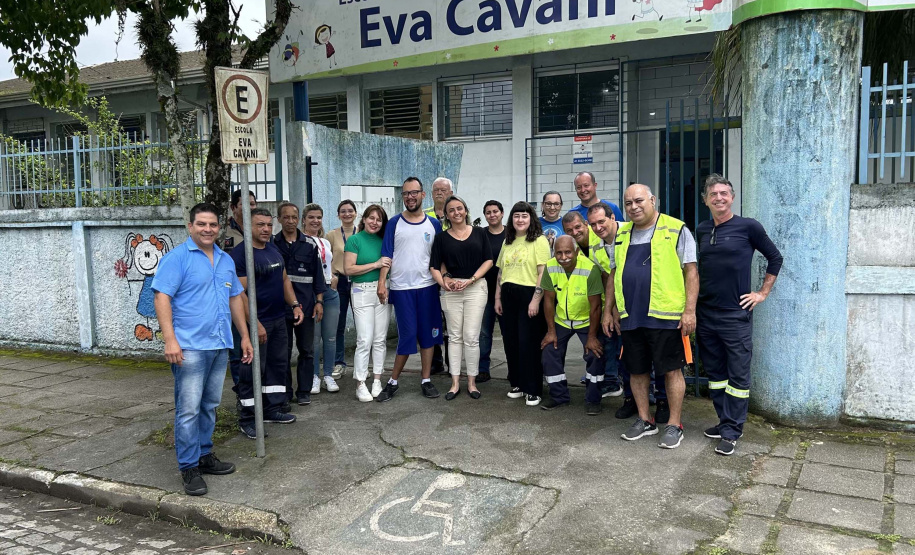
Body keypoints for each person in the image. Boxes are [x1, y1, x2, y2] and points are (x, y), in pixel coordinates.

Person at [152, 203, 253, 496]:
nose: (207, 229)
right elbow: (161, 297)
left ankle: (204, 454)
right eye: (201, 224)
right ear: (190, 226)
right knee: (188, 409)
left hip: (220, 344)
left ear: (219, 228)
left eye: (212, 225)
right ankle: (188, 467)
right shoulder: (177, 259)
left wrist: (244, 336)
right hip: (190, 347)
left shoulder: (225, 259)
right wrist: (170, 340)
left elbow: (235, 298)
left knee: (209, 405)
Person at [603, 184, 698, 450]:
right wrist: (609, 310)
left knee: (671, 370)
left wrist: (689, 311)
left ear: (652, 200)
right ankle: (645, 420)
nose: (633, 207)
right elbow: (613, 273)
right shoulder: (621, 234)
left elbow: (691, 271)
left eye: (639, 201)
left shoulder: (676, 229)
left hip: (666, 315)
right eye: (628, 203)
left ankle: (674, 424)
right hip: (631, 315)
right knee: (636, 370)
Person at [696, 174, 783, 456]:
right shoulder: (702, 229)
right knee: (716, 375)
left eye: (724, 193)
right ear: (705, 200)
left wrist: (762, 293)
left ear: (732, 197)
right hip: (706, 314)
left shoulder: (748, 227)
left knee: (737, 376)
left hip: (735, 315)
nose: (719, 198)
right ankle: (725, 422)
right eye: (713, 194)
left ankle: (733, 431)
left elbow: (775, 257)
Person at [231, 208, 306, 439]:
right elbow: (239, 294)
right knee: (251, 370)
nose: (265, 229)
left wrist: (295, 304)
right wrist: (254, 323)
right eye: (260, 225)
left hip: (278, 319)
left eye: (268, 224)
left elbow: (284, 280)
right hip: (255, 323)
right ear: (248, 226)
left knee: (276, 365)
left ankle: (272, 409)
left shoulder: (273, 249)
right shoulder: (241, 255)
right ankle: (248, 418)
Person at [376, 177, 444, 402]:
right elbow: (386, 255)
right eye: (406, 193)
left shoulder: (434, 224)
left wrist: (446, 280)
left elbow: (439, 257)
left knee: (428, 336)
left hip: (428, 287)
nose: (410, 197)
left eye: (414, 192)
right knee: (407, 334)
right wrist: (382, 282)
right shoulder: (394, 223)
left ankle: (426, 380)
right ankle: (393, 381)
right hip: (401, 289)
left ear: (422, 195)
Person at [430, 196, 494, 400]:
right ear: (446, 215)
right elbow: (434, 266)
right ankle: (455, 383)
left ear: (465, 210)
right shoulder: (441, 238)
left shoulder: (480, 233)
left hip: (476, 288)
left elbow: (489, 260)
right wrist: (444, 283)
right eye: (451, 210)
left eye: (459, 208)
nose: (456, 212)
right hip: (451, 290)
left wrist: (472, 279)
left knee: (471, 337)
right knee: (454, 337)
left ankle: (472, 382)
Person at [540, 236, 605, 414]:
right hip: (562, 320)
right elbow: (548, 300)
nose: (563, 257)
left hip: (586, 320)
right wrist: (551, 331)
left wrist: (592, 337)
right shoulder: (550, 266)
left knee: (595, 353)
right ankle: (558, 396)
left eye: (568, 252)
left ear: (576, 251)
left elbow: (596, 307)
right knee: (549, 351)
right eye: (559, 253)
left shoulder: (590, 268)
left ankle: (593, 399)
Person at [495, 201, 550, 407]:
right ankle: (517, 383)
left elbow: (543, 272)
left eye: (524, 216)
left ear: (531, 218)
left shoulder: (539, 240)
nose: (520, 220)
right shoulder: (507, 241)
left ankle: (533, 389)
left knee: (529, 342)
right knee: (511, 341)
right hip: (508, 295)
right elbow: (501, 272)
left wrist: (535, 300)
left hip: (529, 295)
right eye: (516, 216)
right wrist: (497, 298)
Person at [273, 202, 325, 407]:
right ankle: (285, 392)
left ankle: (304, 391)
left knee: (307, 350)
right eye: (286, 217)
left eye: (294, 217)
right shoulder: (272, 244)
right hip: (279, 308)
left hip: (306, 306)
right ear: (279, 219)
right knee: (282, 352)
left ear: (299, 219)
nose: (290, 221)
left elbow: (318, 276)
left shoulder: (309, 245)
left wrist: (319, 301)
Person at [344, 205, 392, 401]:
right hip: (361, 292)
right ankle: (360, 383)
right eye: (371, 218)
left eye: (379, 220)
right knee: (364, 339)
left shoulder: (385, 241)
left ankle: (377, 380)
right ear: (363, 219)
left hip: (382, 291)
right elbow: (348, 269)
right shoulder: (355, 240)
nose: (374, 222)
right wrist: (376, 264)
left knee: (380, 339)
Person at [302, 203, 340, 395]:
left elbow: (328, 264)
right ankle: (315, 376)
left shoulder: (325, 241)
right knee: (314, 339)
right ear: (304, 220)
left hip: (330, 292)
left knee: (330, 337)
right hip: (312, 294)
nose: (315, 221)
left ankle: (328, 375)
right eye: (311, 217)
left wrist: (334, 277)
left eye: (318, 217)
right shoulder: (301, 241)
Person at [224, 189, 257, 395]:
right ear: (233, 207)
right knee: (238, 349)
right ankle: (242, 393)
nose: (249, 207)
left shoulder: (260, 228)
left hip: (259, 297)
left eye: (252, 203)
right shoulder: (225, 232)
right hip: (234, 297)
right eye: (244, 203)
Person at [423, 177, 454, 373]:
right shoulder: (424, 214)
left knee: (451, 320)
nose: (440, 192)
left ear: (451, 193)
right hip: (428, 275)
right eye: (436, 190)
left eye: (443, 190)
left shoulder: (457, 212)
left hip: (451, 274)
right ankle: (435, 361)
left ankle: (453, 363)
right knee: (431, 319)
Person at [326, 200, 358, 380]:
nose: (347, 214)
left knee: (362, 324)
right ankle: (339, 362)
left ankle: (361, 364)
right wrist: (332, 276)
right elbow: (325, 259)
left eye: (350, 211)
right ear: (338, 215)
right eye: (343, 211)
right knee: (338, 324)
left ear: (356, 214)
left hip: (358, 281)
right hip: (339, 282)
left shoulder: (362, 233)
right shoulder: (332, 235)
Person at [478, 200, 506, 382]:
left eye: (495, 211)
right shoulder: (480, 235)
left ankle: (515, 370)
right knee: (484, 333)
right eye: (488, 212)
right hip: (484, 291)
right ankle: (483, 369)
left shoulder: (511, 234)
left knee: (508, 333)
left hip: (506, 293)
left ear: (502, 213)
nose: (492, 215)